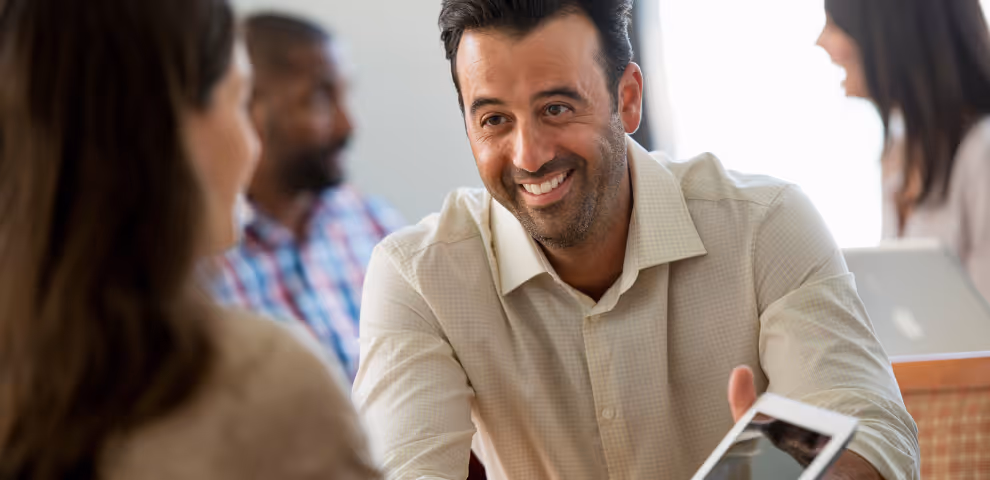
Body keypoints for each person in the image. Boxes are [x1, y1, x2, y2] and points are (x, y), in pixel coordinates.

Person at [352, 1, 919, 479]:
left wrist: (799, 468)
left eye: (556, 108)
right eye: (494, 120)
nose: (529, 155)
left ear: (627, 98)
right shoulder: (419, 278)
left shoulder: (765, 224)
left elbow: (875, 433)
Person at [0, 0, 379, 479]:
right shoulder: (263, 380)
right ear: (165, 133)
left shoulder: (370, 223)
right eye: (239, 102)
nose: (251, 144)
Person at [212, 12, 405, 380]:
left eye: (344, 94)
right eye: (319, 98)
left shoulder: (379, 228)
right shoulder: (203, 266)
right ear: (246, 107)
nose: (347, 125)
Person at [817, 0, 990, 300]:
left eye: (835, 25)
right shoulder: (899, 153)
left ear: (890, 33)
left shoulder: (981, 153)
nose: (821, 41)